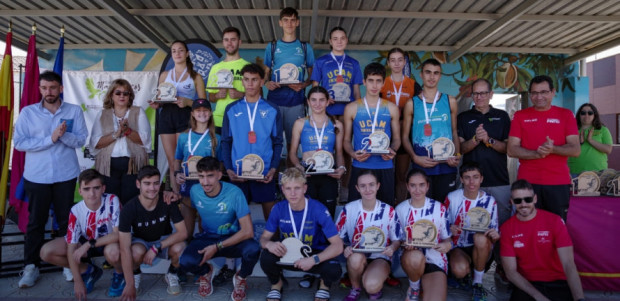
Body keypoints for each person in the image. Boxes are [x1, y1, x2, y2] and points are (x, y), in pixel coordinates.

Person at [13, 70, 88, 288]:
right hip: (37, 177)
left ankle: (68, 263)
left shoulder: (73, 111)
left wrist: (63, 135)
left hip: (65, 175)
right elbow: (19, 143)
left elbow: (81, 140)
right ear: (39, 89)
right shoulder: (28, 113)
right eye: (44, 88)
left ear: (61, 89)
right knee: (36, 222)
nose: (49, 92)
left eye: (53, 87)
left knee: (67, 222)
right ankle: (30, 267)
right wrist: (50, 138)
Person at [177, 157, 260, 300]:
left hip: (232, 240)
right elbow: (190, 203)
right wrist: (174, 197)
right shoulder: (195, 191)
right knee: (186, 261)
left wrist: (217, 246)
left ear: (219, 175)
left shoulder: (235, 193)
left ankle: (241, 278)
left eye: (210, 176)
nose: (205, 182)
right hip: (208, 238)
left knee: (253, 249)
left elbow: (248, 231)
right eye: (201, 176)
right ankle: (206, 272)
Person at [259, 167, 343, 301]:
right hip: (287, 253)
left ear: (304, 188)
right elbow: (263, 238)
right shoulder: (278, 208)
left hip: (312, 254)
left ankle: (324, 285)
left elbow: (338, 246)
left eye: (297, 188)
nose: (292, 193)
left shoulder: (318, 209)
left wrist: (313, 259)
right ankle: (276, 285)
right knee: (266, 257)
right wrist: (269, 244)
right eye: (288, 188)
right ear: (282, 190)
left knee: (334, 268)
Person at [39, 169, 122, 299]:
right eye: (87, 189)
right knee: (46, 252)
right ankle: (88, 271)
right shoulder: (76, 210)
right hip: (87, 242)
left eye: (96, 188)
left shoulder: (112, 200)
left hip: (108, 242)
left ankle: (119, 274)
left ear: (103, 188)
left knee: (114, 252)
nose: (92, 193)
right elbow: (71, 246)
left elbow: (118, 235)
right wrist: (77, 281)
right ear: (80, 191)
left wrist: (89, 245)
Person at [507, 75, 580, 221]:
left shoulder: (566, 115)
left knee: (557, 225)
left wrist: (553, 149)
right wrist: (536, 153)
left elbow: (575, 149)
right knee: (527, 226)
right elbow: (511, 149)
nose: (539, 96)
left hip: (558, 182)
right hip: (528, 183)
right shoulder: (520, 116)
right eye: (534, 93)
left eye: (544, 92)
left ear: (553, 92)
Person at [500, 179, 585, 301]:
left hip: (558, 282)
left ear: (535, 199)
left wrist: (580, 299)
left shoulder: (554, 221)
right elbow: (511, 272)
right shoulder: (507, 228)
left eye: (528, 199)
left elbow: (569, 265)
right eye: (518, 201)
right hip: (527, 285)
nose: (523, 204)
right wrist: (539, 297)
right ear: (512, 202)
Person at [221, 63, 283, 220]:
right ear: (241, 81)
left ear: (262, 82)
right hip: (238, 173)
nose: (249, 84)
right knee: (234, 220)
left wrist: (273, 168)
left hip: (264, 172)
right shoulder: (231, 109)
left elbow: (277, 142)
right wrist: (228, 169)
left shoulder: (272, 109)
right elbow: (226, 142)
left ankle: (272, 244)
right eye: (246, 79)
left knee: (271, 220)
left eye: (254, 80)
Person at [118, 166, 187, 299]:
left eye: (156, 183)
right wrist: (129, 284)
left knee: (181, 247)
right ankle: (136, 275)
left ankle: (172, 274)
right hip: (141, 242)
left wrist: (157, 247)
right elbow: (124, 248)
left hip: (162, 241)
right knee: (134, 251)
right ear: (138, 184)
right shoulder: (129, 208)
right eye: (147, 183)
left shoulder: (167, 200)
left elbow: (183, 233)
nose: (152, 188)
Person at [402, 58, 460, 204]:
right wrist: (414, 157)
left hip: (446, 166)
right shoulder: (412, 103)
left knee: (445, 209)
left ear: (440, 76)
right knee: (422, 210)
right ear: (421, 75)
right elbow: (404, 137)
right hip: (422, 165)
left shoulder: (450, 101)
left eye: (436, 73)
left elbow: (454, 132)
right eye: (428, 72)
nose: (432, 77)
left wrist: (457, 155)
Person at [336, 170, 401, 300]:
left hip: (380, 256)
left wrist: (392, 248)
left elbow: (397, 240)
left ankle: (375, 278)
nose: (367, 189)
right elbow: (337, 237)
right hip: (357, 255)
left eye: (371, 185)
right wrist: (345, 247)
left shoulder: (389, 210)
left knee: (371, 287)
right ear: (357, 188)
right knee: (355, 259)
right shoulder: (349, 209)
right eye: (363, 186)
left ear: (378, 186)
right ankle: (355, 288)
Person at [152, 40, 206, 192]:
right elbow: (160, 97)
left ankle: (189, 197)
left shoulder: (195, 76)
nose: (177, 53)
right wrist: (157, 104)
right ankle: (177, 200)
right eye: (174, 51)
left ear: (187, 54)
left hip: (185, 116)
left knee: (183, 160)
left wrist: (189, 102)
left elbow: (203, 103)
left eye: (180, 50)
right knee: (171, 162)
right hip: (166, 116)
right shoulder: (164, 75)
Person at [343, 62, 400, 205]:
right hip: (360, 165)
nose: (374, 86)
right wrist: (352, 154)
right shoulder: (352, 108)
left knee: (385, 208)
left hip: (384, 166)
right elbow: (346, 140)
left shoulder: (391, 108)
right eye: (370, 81)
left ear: (383, 83)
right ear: (364, 82)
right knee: (356, 208)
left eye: (378, 81)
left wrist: (392, 150)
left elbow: (397, 139)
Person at [263, 7, 315, 159]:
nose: (289, 24)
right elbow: (265, 73)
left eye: (293, 20)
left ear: (297, 22)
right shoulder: (272, 47)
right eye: (286, 20)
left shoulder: (305, 47)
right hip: (274, 102)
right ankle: (274, 178)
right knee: (273, 142)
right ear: (280, 23)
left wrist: (303, 85)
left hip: (296, 102)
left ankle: (292, 180)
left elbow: (313, 76)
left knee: (294, 143)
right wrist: (267, 83)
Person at [90, 78, 151, 205]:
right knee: (110, 202)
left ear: (130, 96)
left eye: (126, 93)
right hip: (108, 165)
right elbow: (95, 143)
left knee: (130, 201)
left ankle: (127, 225)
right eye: (118, 93)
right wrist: (116, 134)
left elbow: (144, 140)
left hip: (133, 165)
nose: (122, 96)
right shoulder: (102, 114)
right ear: (111, 95)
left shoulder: (138, 112)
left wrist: (127, 131)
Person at [445, 162, 500, 301]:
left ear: (481, 179)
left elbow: (495, 232)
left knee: (480, 238)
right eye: (467, 177)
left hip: (481, 248)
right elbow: (441, 225)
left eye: (475, 177)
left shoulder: (490, 201)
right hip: (459, 246)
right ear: (461, 179)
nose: (471, 182)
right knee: (460, 270)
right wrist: (449, 228)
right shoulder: (452, 198)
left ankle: (478, 282)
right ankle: (465, 275)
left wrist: (495, 235)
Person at [395, 169, 452, 301]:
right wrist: (405, 244)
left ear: (427, 186)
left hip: (434, 261)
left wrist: (447, 245)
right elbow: (396, 240)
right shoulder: (400, 209)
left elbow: (447, 239)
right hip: (411, 261)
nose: (417, 190)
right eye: (413, 185)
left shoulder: (439, 208)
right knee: (415, 256)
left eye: (421, 185)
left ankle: (424, 284)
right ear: (407, 186)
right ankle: (414, 287)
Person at [289, 86, 346, 217]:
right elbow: (292, 152)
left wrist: (342, 168)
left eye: (321, 100)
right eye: (313, 100)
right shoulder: (300, 123)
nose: (317, 104)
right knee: (307, 217)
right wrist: (298, 167)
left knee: (327, 216)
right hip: (307, 174)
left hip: (328, 174)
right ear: (308, 102)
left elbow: (339, 153)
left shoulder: (337, 124)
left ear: (327, 102)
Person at [380, 48, 421, 204]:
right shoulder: (382, 83)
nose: (397, 63)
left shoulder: (413, 84)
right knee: (385, 173)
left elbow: (419, 110)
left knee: (401, 175)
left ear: (404, 62)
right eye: (393, 60)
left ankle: (400, 206)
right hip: (385, 133)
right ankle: (386, 205)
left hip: (406, 132)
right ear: (389, 63)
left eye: (400, 60)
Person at [174, 98, 218, 238]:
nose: (202, 113)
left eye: (205, 110)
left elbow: (221, 163)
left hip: (208, 185)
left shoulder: (216, 138)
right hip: (189, 184)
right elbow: (177, 159)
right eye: (198, 111)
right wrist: (177, 174)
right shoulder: (183, 137)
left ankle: (203, 256)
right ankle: (187, 255)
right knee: (187, 231)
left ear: (210, 113)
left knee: (205, 230)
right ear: (192, 114)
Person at [311, 26, 362, 117]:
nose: (339, 42)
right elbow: (315, 87)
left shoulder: (354, 63)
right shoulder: (320, 61)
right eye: (335, 39)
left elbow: (356, 90)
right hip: (327, 110)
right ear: (330, 41)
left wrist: (358, 110)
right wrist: (324, 98)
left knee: (346, 132)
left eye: (342, 38)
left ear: (347, 40)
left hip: (348, 110)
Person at [206, 27, 249, 134]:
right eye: (226, 40)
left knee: (240, 151)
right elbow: (210, 97)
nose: (229, 43)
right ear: (223, 42)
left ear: (239, 42)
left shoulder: (248, 66)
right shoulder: (215, 68)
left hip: (242, 118)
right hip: (219, 120)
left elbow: (259, 94)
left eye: (233, 40)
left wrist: (241, 94)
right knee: (219, 151)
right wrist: (217, 95)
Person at [568, 103, 613, 174]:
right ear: (579, 115)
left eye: (590, 113)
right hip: (575, 171)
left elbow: (608, 149)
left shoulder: (602, 129)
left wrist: (590, 141)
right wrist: (579, 143)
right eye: (583, 113)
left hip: (598, 172)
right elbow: (565, 149)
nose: (586, 115)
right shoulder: (571, 129)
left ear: (594, 115)